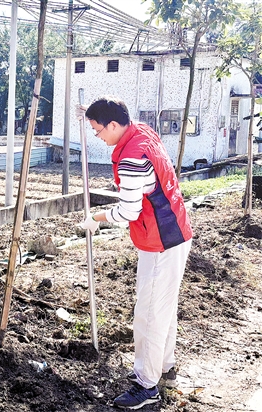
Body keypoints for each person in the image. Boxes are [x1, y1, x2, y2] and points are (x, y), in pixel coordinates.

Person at [80, 96, 192, 409]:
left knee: (149, 314)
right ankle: (165, 368)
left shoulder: (131, 158)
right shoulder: (143, 132)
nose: (98, 137)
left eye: (98, 130)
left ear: (114, 125)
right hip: (175, 231)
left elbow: (129, 211)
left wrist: (96, 219)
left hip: (160, 240)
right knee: (163, 307)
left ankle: (147, 386)